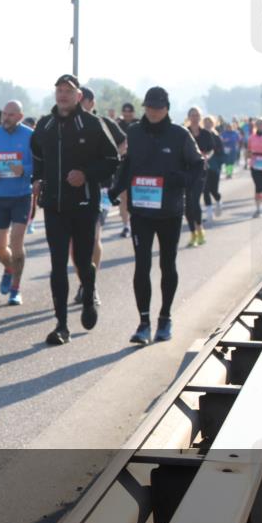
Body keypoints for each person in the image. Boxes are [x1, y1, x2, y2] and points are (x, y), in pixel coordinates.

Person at [30, 74, 120, 345]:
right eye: (59, 90)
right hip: (54, 206)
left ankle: (89, 294)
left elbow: (112, 160)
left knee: (82, 261)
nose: (62, 95)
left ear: (78, 96)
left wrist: (86, 174)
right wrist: (37, 178)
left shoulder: (92, 124)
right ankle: (61, 326)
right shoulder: (45, 125)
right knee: (57, 264)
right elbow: (37, 155)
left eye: (68, 91)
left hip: (83, 205)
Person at [110, 86, 202, 345]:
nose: (152, 111)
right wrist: (117, 188)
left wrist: (181, 181)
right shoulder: (135, 132)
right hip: (140, 211)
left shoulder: (179, 135)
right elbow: (127, 164)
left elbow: (198, 165)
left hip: (169, 212)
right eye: (149, 107)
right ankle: (143, 323)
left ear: (166, 108)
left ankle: (165, 318)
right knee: (142, 265)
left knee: (167, 265)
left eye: (157, 107)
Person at [73, 87, 126, 306]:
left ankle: (91, 285)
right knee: (74, 245)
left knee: (93, 237)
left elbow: (123, 144)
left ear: (90, 103)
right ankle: (84, 283)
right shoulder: (66, 124)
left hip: (99, 189)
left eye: (82, 101)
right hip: (72, 190)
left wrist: (105, 163)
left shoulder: (103, 123)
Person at [0, 100, 34, 306]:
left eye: (11, 114)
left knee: (16, 242)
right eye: (5, 113)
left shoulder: (30, 135)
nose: (6, 117)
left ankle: (16, 288)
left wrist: (25, 169)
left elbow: (38, 163)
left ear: (20, 117)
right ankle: (10, 267)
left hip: (21, 195)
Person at [184, 107, 212, 248]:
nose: (195, 117)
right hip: (186, 171)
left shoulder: (206, 134)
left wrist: (206, 156)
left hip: (201, 171)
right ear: (188, 117)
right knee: (187, 204)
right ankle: (193, 233)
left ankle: (200, 229)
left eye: (197, 115)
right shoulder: (184, 132)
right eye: (192, 115)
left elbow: (212, 149)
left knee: (194, 200)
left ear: (200, 117)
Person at [117, 102, 138, 237]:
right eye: (125, 111)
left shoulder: (139, 124)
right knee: (123, 196)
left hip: (137, 165)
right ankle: (126, 225)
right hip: (122, 165)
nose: (127, 114)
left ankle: (137, 222)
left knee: (136, 196)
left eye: (129, 111)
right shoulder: (117, 125)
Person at [202, 115, 225, 221]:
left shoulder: (216, 137)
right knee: (205, 190)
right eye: (205, 122)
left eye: (209, 122)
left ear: (213, 123)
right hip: (203, 166)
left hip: (215, 167)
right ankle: (209, 214)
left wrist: (219, 164)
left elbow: (221, 153)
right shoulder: (200, 135)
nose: (207, 124)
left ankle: (219, 201)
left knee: (213, 190)